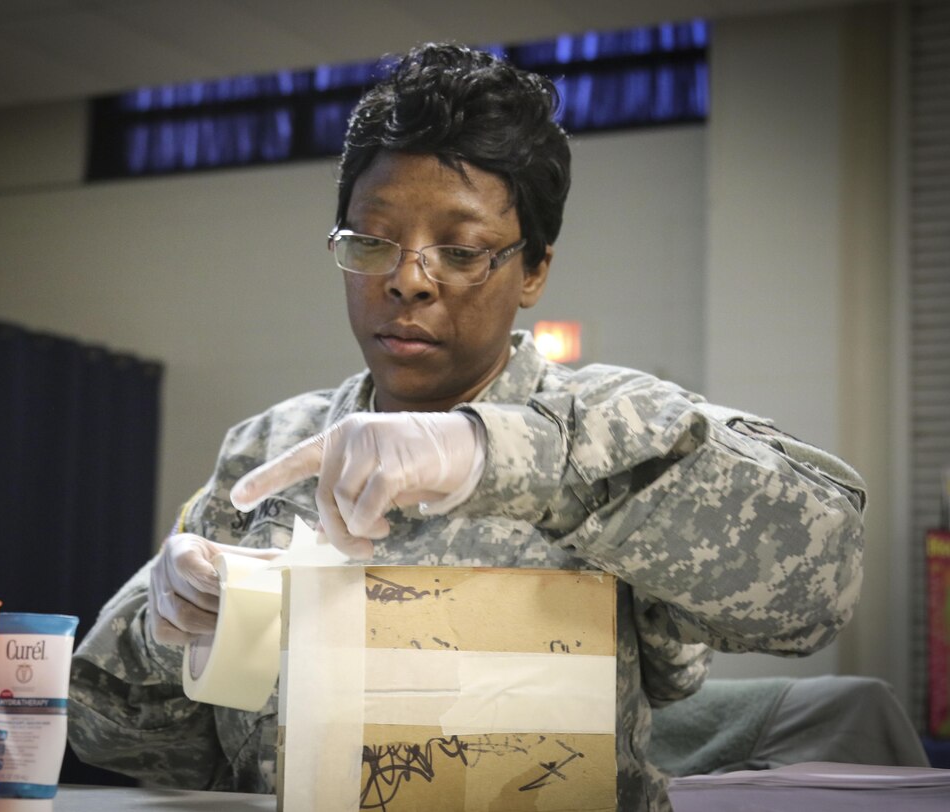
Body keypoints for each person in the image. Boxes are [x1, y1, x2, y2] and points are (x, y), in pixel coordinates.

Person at [67, 42, 865, 812]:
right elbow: (118, 733)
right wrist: (167, 629)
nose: (407, 280)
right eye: (372, 242)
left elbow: (824, 574)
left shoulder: (613, 436)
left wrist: (498, 456)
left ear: (535, 268)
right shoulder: (273, 452)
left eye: (461, 250)